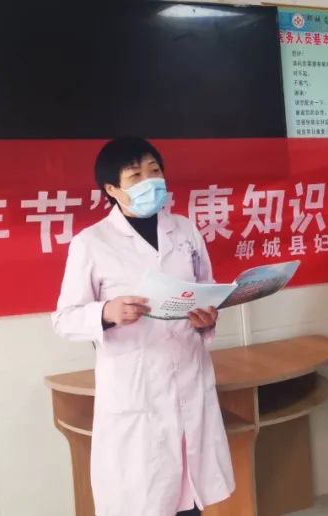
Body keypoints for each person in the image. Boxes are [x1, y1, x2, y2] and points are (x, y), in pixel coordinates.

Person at [51, 137, 233, 516]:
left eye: (155, 170)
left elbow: (206, 290)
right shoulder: (91, 243)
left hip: (189, 374)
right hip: (137, 389)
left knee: (191, 498)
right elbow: (65, 319)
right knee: (146, 498)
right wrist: (107, 312)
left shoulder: (185, 231)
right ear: (111, 190)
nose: (150, 181)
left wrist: (207, 318)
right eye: (136, 176)